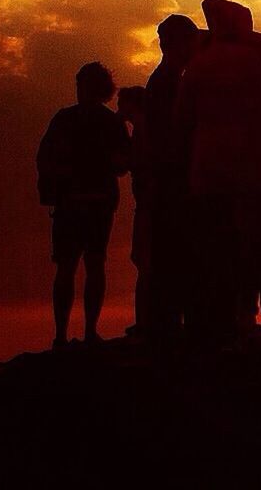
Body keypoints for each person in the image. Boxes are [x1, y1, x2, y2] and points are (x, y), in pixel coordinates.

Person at [177, 0, 261, 345]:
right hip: (256, 171)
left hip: (209, 174)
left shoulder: (200, 64)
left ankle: (223, 327)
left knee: (218, 253)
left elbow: (183, 117)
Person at [37, 63, 130, 348]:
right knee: (89, 266)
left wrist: (53, 189)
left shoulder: (66, 119)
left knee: (73, 267)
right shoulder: (108, 122)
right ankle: (83, 333)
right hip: (93, 203)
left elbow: (44, 159)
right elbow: (122, 165)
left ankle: (65, 335)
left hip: (77, 204)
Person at [144, 14, 200, 344]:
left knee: (170, 258)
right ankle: (168, 330)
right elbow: (174, 137)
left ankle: (167, 328)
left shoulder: (165, 80)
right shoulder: (168, 84)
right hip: (173, 182)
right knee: (174, 258)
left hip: (167, 181)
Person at [117, 86, 150, 335]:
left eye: (123, 104)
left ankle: (146, 322)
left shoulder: (144, 130)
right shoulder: (143, 129)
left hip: (150, 205)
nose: (119, 110)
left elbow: (132, 161)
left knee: (144, 260)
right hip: (148, 203)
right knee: (144, 260)